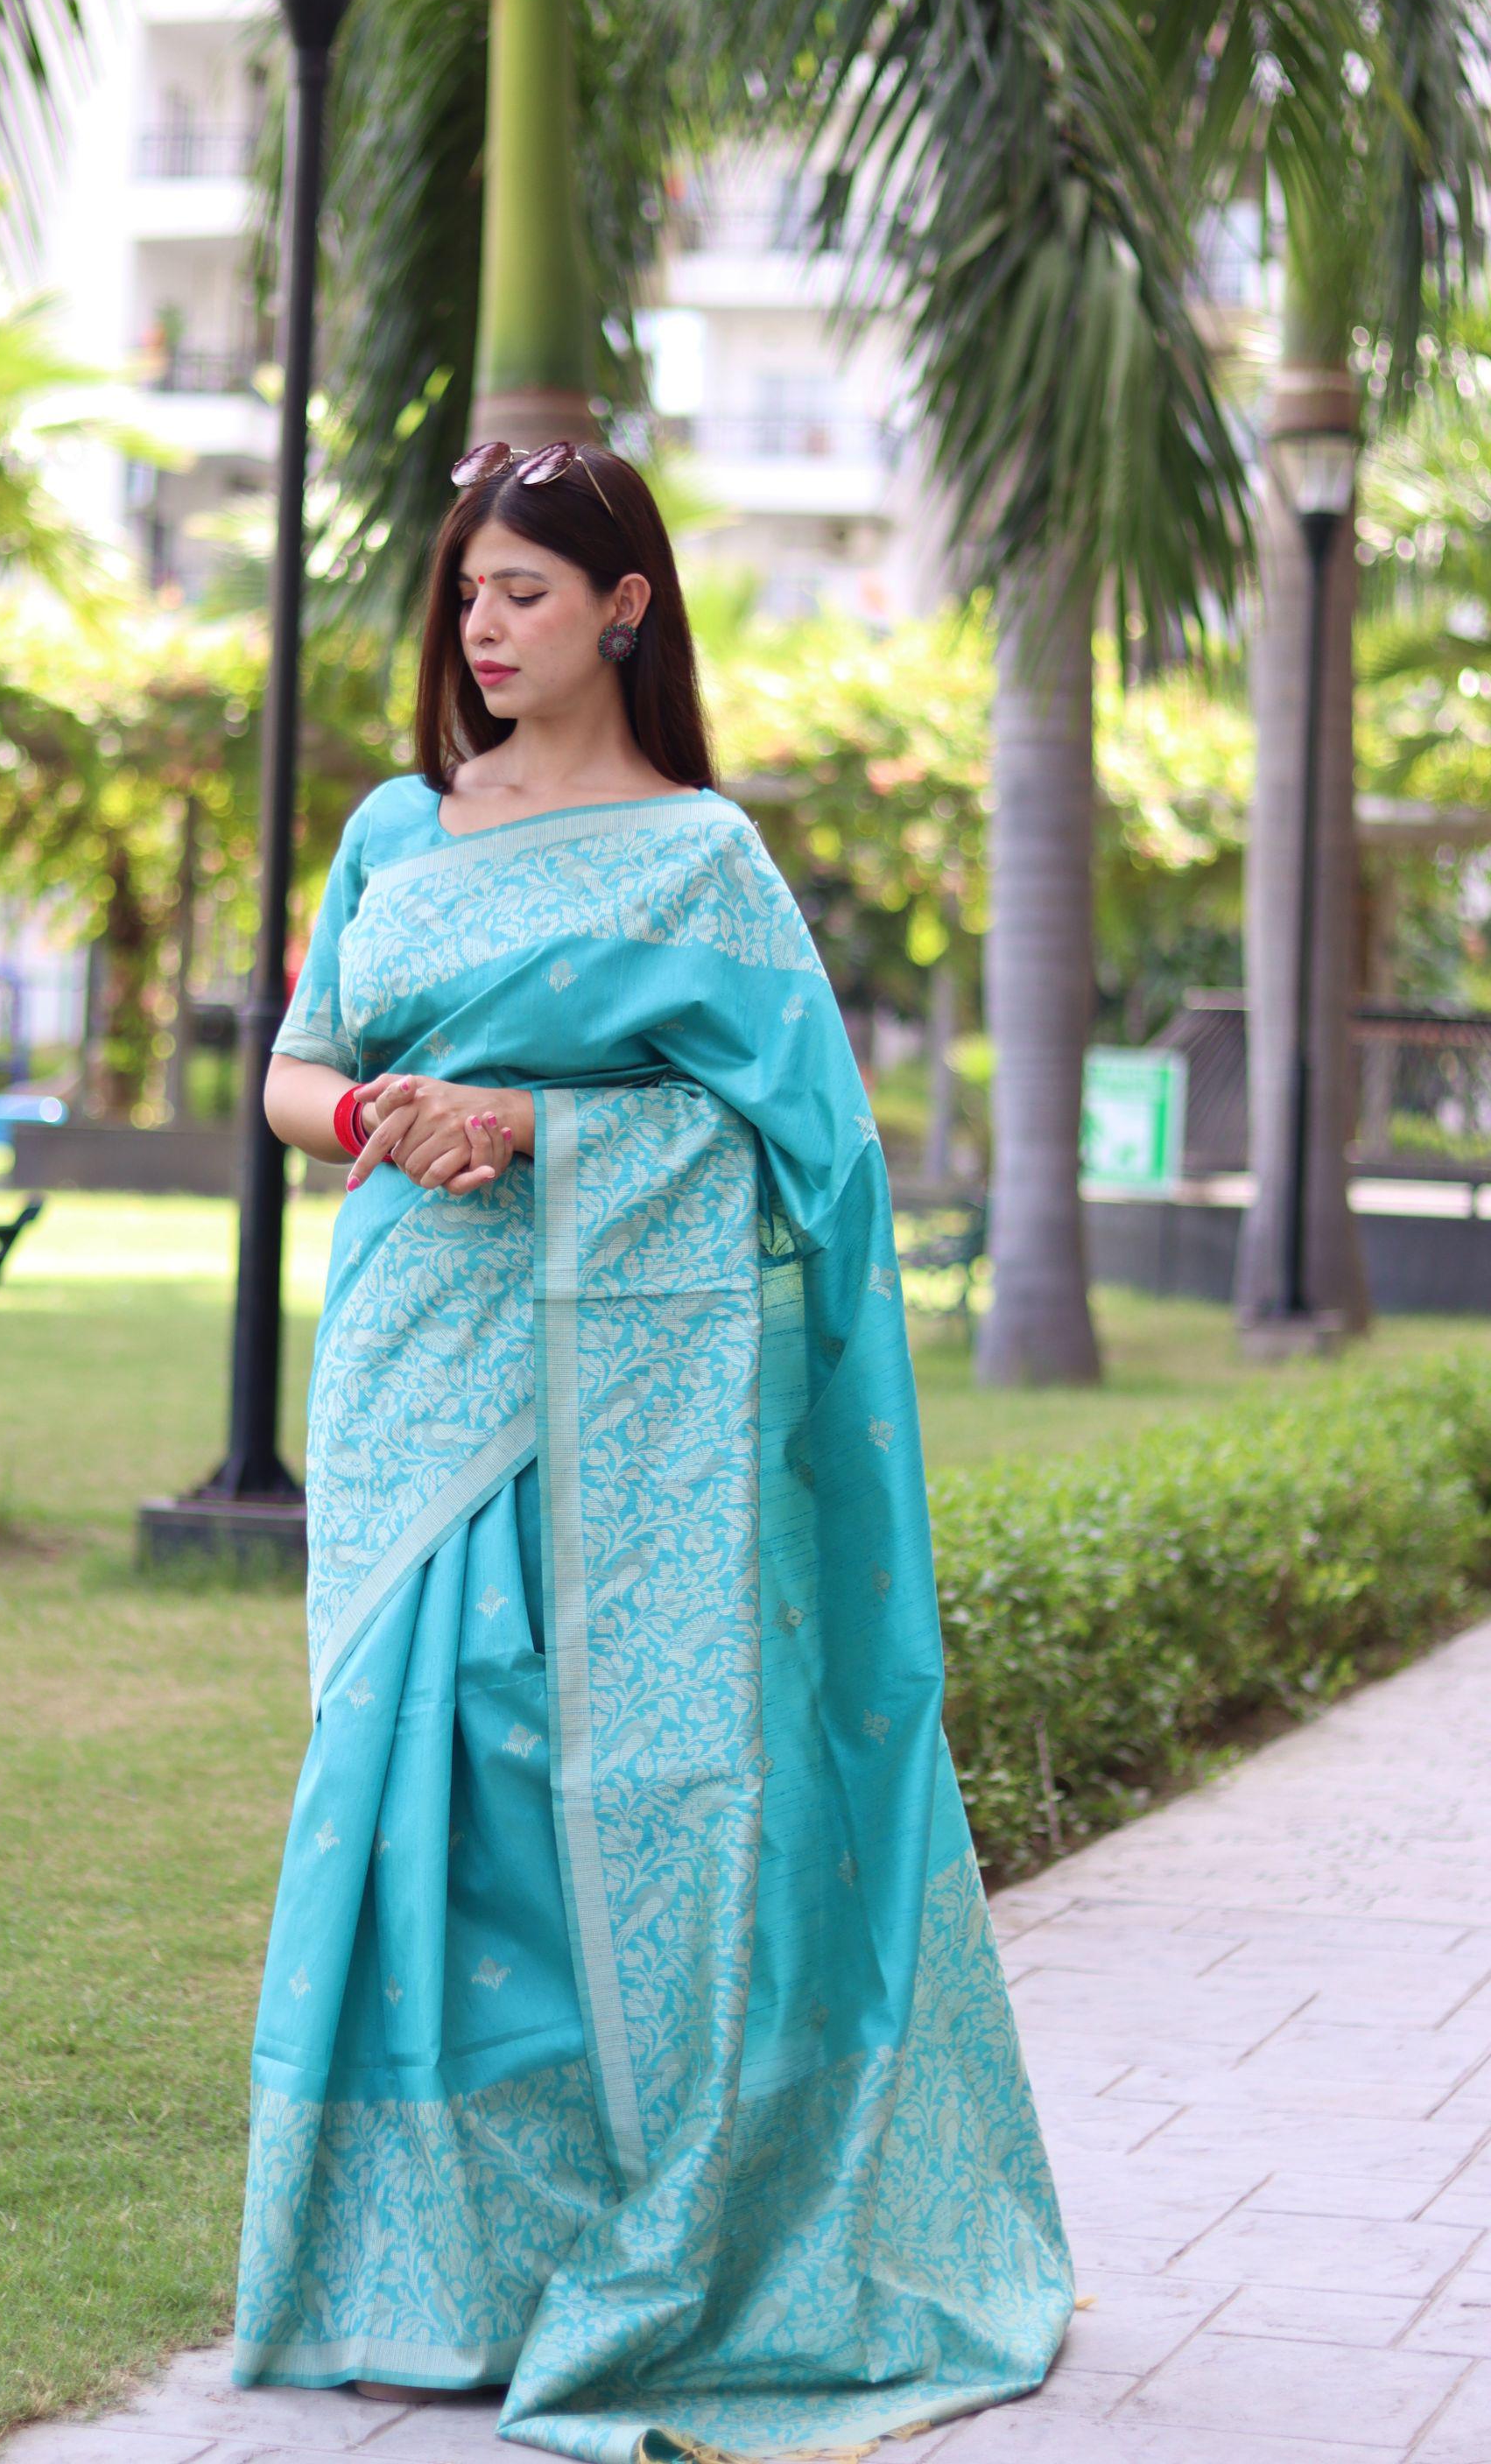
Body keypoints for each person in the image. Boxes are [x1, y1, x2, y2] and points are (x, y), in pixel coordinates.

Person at [230, 440, 1073, 2459]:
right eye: (467, 597)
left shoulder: (703, 857)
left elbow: (815, 1160)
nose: (484, 629)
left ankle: (620, 2249)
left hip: (632, 1389)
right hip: (419, 1362)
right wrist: (380, 1125)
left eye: (523, 591)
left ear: (624, 604)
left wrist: (548, 1128)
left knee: (578, 1782)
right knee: (408, 1774)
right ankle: (415, 2273)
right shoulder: (395, 831)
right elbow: (293, 1070)